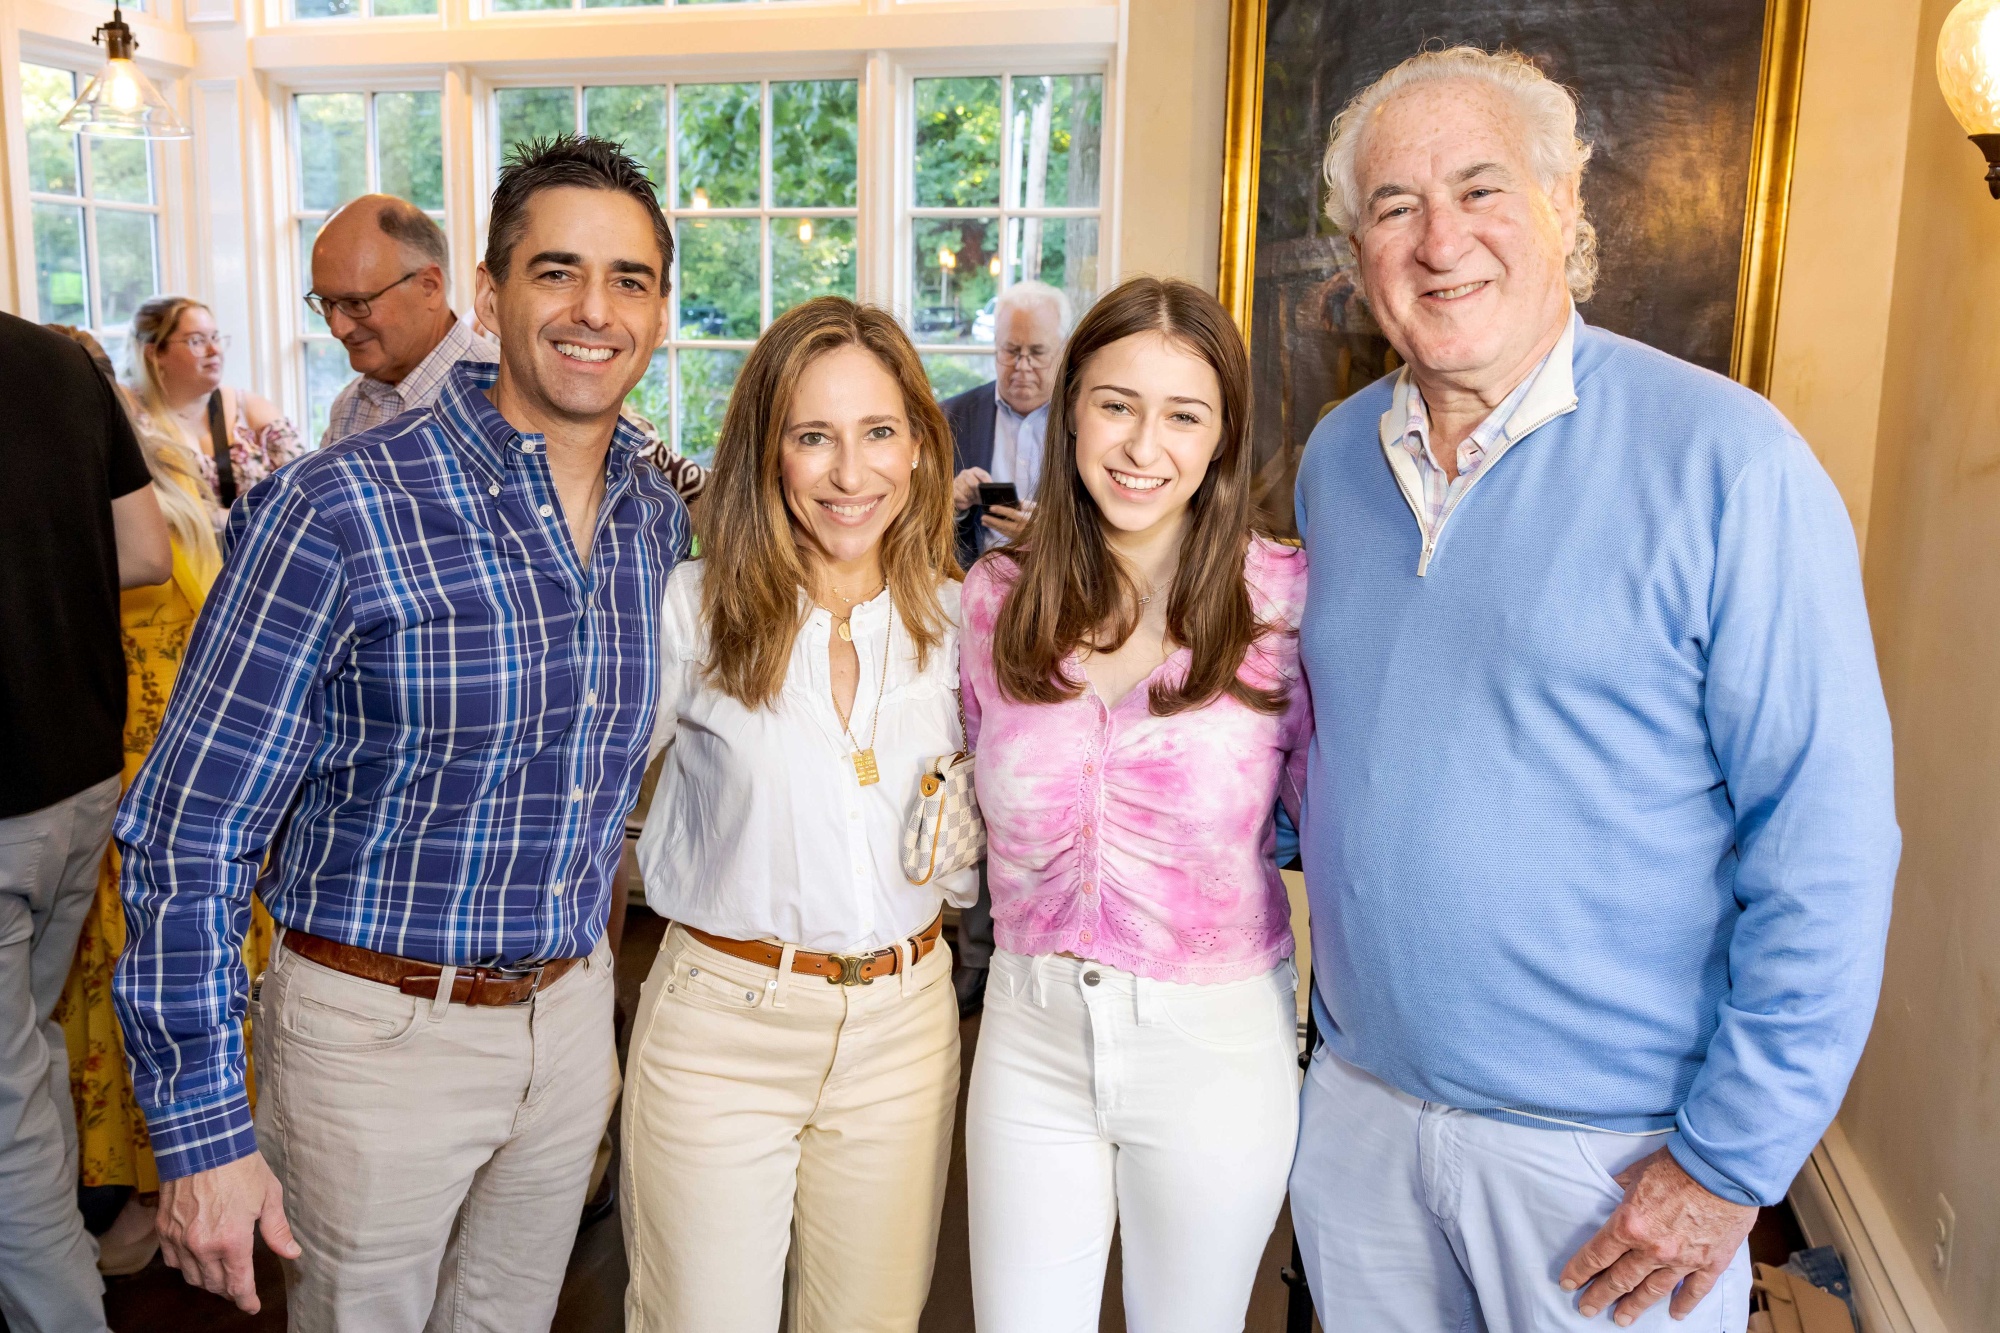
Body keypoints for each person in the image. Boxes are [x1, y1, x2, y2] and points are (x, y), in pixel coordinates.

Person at [1288, 47, 1899, 1333]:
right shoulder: (1335, 461)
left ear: (1562, 205)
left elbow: (1824, 843)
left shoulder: (1732, 462)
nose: (1438, 240)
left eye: (1478, 189)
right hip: (1359, 1117)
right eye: (1394, 207)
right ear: (1355, 251)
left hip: (1607, 1162)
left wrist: (1726, 1164)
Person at [112, 134, 688, 1330]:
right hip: (372, 1037)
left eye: (627, 280)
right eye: (557, 271)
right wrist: (203, 1131)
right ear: (488, 292)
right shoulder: (337, 507)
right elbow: (190, 829)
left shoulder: (651, 515)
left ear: (659, 311)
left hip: (570, 1023)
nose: (594, 310)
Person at [958, 276, 1310, 1331]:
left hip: (1213, 1043)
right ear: (1071, 409)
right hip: (1028, 1032)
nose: (1142, 445)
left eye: (1183, 415)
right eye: (1115, 404)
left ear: (1222, 435)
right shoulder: (997, 598)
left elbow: (1342, 826)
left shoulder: (1285, 601)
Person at [622, 295, 970, 1333]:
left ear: (918, 445)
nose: (849, 473)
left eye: (878, 432)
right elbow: (576, 794)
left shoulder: (963, 623)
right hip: (722, 1030)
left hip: (905, 1029)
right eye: (813, 436)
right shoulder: (692, 609)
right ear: (767, 453)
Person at [46, 329, 276, 1280]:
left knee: (128, 983)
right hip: (187, 761)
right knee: (184, 973)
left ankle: (151, 1195)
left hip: (128, 764)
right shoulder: (165, 477)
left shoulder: (103, 504)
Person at [0, 311, 169, 1333]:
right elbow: (145, 550)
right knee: (29, 1052)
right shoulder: (60, 363)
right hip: (81, 772)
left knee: (9, 1095)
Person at [313, 192, 708, 501]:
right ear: (490, 297)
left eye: (356, 303)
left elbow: (684, 490)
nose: (337, 326)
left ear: (430, 286)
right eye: (326, 304)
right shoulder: (351, 405)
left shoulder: (534, 383)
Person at [940, 278, 1073, 1016]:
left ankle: (1034, 958)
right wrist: (950, 500)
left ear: (1063, 351)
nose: (1020, 367)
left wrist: (1049, 531)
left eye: (1036, 353)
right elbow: (905, 522)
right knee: (977, 788)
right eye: (1007, 351)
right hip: (966, 621)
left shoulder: (1087, 421)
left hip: (1057, 625)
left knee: (1035, 798)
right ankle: (974, 958)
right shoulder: (952, 416)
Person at [128, 296, 304, 514]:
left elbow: (305, 495)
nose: (214, 350)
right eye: (197, 341)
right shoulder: (134, 418)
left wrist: (221, 519)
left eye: (215, 337)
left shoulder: (251, 411)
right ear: (154, 352)